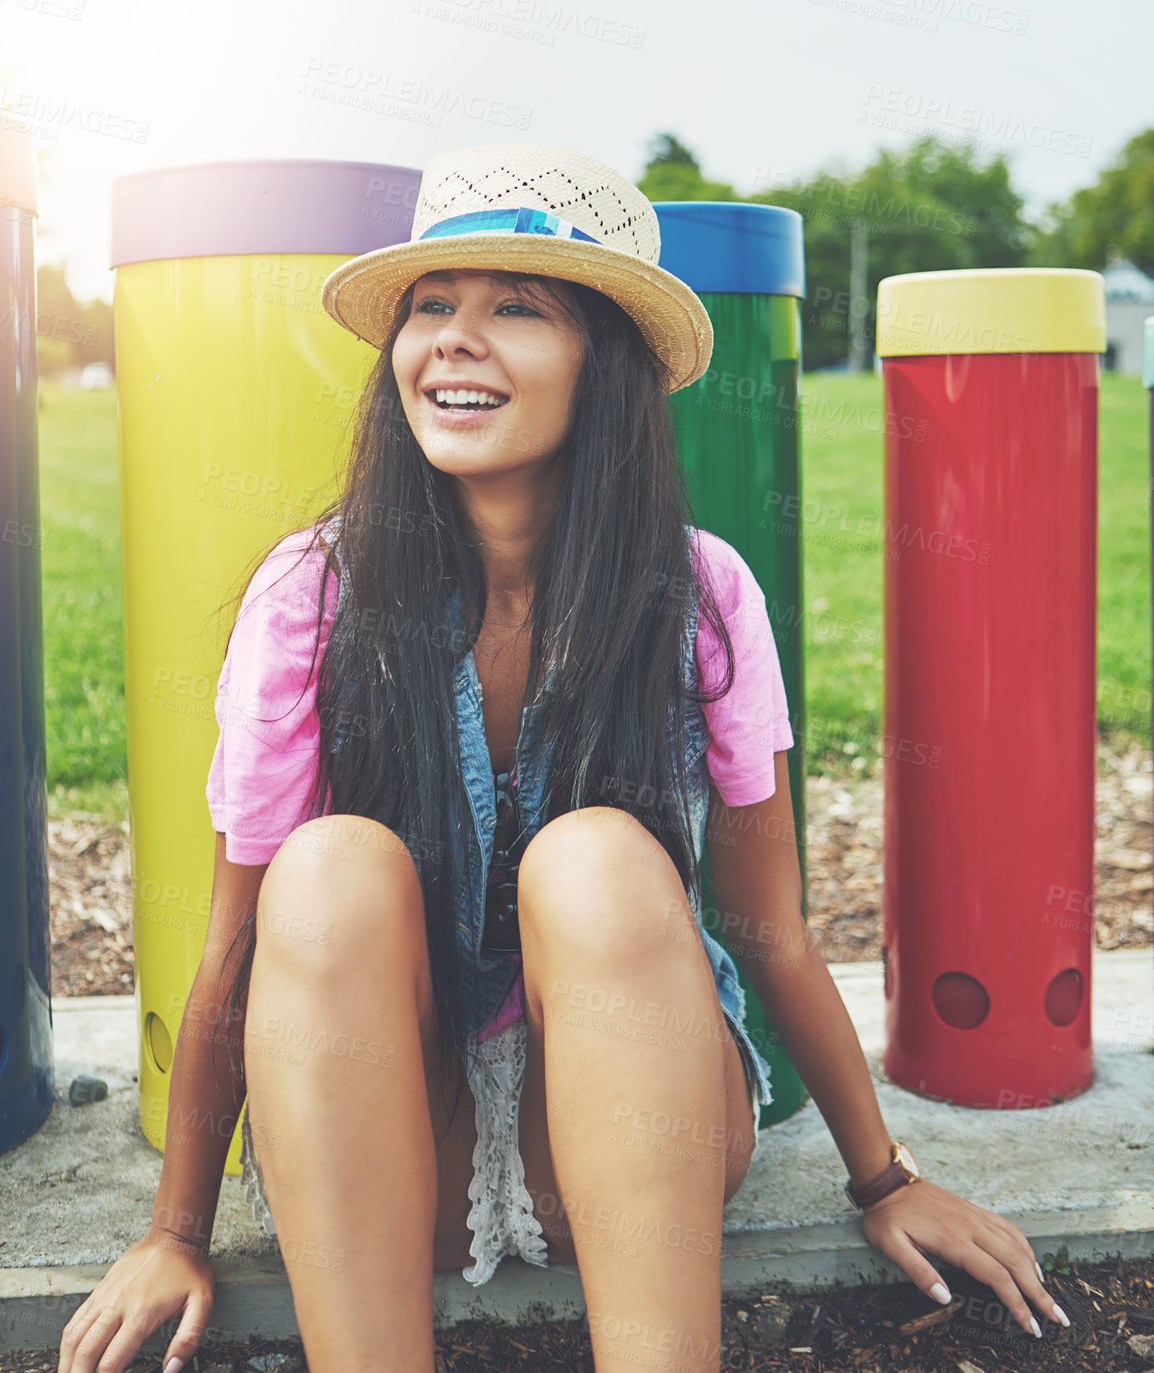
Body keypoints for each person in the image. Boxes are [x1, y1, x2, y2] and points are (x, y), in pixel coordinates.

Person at [57, 144, 1070, 1373]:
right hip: (395, 1150)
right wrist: (176, 1230)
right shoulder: (312, 593)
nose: (453, 342)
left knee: (593, 858)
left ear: (608, 363)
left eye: (516, 308)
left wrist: (885, 1177)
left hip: (648, 1128)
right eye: (432, 306)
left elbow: (767, 929)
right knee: (319, 870)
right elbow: (233, 942)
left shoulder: (699, 594)